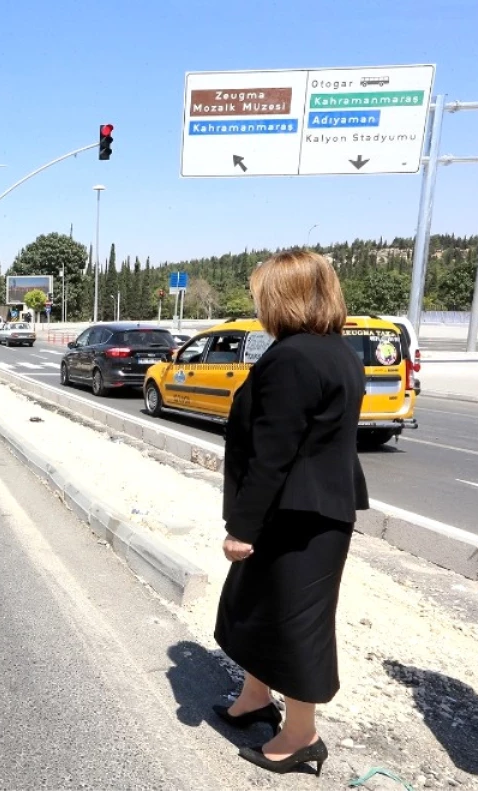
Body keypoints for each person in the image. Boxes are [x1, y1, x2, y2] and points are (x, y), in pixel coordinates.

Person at [213, 249, 368, 778]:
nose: (258, 304)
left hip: (296, 513)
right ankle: (255, 695)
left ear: (284, 296)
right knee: (256, 605)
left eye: (262, 294)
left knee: (299, 624)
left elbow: (272, 453)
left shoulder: (293, 358)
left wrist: (241, 529)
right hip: (312, 509)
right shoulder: (337, 351)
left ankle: (302, 735)